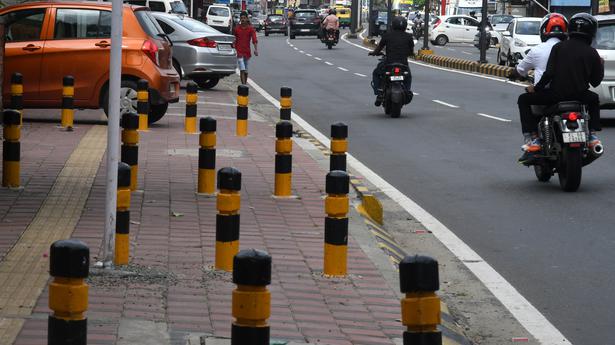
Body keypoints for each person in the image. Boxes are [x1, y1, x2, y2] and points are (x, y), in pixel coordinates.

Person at [518, 13, 604, 163]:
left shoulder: (558, 47)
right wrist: (599, 66)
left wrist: (536, 89)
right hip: (580, 96)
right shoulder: (592, 52)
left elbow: (549, 74)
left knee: (523, 99)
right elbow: (595, 82)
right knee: (594, 99)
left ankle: (534, 138)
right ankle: (592, 135)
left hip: (556, 96)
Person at [509, 13, 568, 158]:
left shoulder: (537, 50)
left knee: (524, 99)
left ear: (544, 31)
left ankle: (533, 137)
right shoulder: (572, 49)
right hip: (573, 94)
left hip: (548, 94)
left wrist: (513, 74)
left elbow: (520, 70)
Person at [368, 16, 414, 106]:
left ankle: (379, 92)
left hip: (389, 63)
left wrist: (374, 53)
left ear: (393, 25)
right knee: (408, 77)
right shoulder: (408, 37)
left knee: (376, 73)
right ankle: (407, 91)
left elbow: (379, 48)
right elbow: (410, 51)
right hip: (403, 64)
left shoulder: (387, 35)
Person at [234, 11, 258, 85]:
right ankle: (243, 86)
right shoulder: (237, 29)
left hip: (247, 52)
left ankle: (245, 84)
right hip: (239, 52)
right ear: (240, 19)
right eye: (241, 18)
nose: (243, 20)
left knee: (246, 70)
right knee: (242, 69)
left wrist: (256, 49)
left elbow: (254, 39)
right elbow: (234, 39)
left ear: (247, 19)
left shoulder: (250, 29)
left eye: (244, 18)